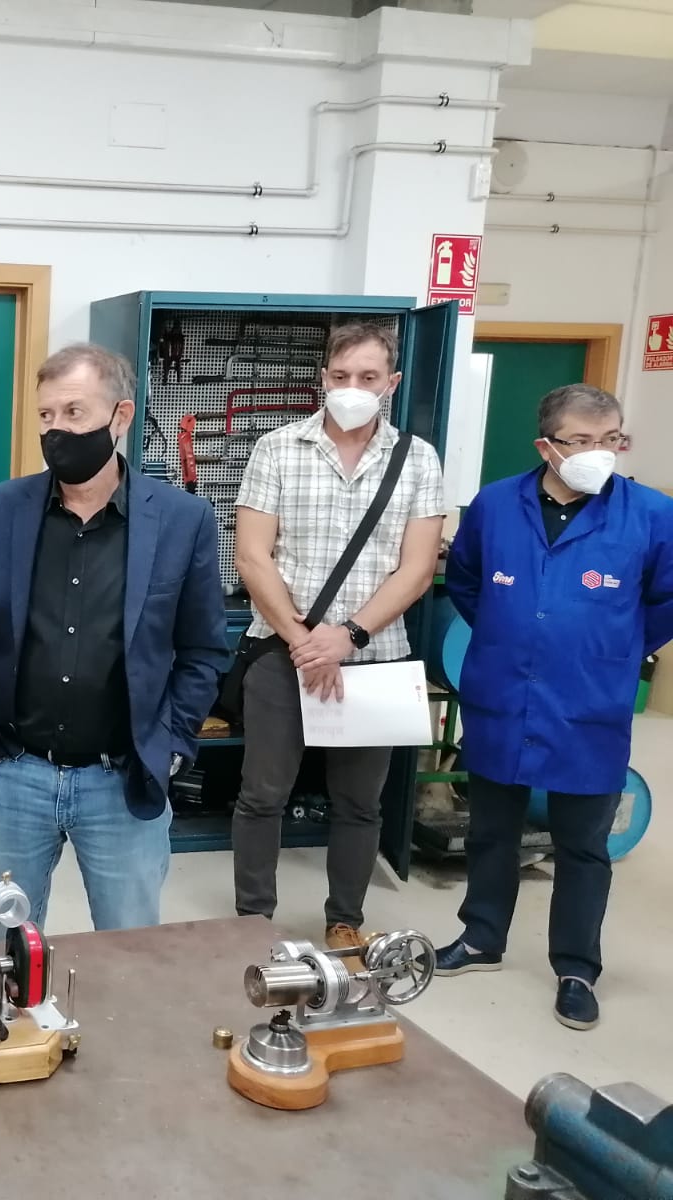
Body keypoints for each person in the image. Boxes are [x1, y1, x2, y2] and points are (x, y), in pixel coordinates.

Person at [0, 342, 226, 930]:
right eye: (46, 415)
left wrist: (171, 743)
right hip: (14, 773)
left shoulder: (182, 520)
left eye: (74, 412)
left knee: (130, 949)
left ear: (120, 416)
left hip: (123, 779)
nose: (57, 430)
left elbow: (202, 649)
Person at [433, 384, 673, 1030]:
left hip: (590, 704)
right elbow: (465, 581)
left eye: (612, 439)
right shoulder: (495, 505)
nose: (601, 452)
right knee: (490, 830)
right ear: (547, 446)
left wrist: (613, 650)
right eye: (583, 441)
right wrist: (510, 636)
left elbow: (666, 601)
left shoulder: (653, 515)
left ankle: (576, 968)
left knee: (583, 845)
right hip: (502, 693)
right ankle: (481, 937)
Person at [232, 323, 444, 951]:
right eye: (342, 375)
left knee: (359, 802)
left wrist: (347, 637)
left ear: (391, 383)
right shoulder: (276, 449)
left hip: (374, 658)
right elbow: (253, 557)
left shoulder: (418, 459)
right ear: (323, 378)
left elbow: (417, 568)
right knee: (261, 794)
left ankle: (344, 919)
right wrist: (305, 641)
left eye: (369, 377)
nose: (353, 387)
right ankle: (251, 921)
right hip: (282, 652)